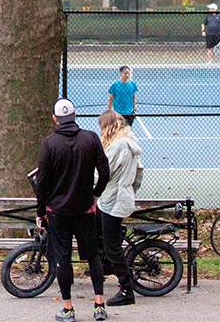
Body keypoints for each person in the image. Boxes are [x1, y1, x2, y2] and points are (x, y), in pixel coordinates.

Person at [36, 98, 110, 322]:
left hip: (58, 211)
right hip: (85, 209)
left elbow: (42, 181)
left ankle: (68, 309)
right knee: (93, 256)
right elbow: (104, 172)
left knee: (63, 258)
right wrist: (95, 195)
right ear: (75, 115)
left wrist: (41, 211)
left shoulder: (49, 144)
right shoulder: (91, 138)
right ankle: (99, 305)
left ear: (55, 118)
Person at [96, 111, 142, 307]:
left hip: (112, 200)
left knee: (113, 247)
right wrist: (131, 189)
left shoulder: (118, 146)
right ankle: (106, 265)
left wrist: (91, 189)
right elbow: (139, 171)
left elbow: (103, 173)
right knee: (101, 232)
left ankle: (126, 289)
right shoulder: (129, 142)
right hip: (119, 197)